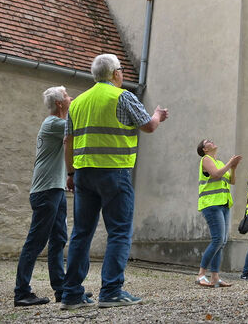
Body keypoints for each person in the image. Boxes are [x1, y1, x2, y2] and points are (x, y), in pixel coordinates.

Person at [61, 54, 169, 310]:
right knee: (119, 231)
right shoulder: (123, 97)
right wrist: (157, 115)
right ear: (115, 73)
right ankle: (111, 291)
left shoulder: (78, 103)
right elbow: (148, 126)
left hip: (84, 173)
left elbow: (68, 141)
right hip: (114, 171)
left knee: (81, 233)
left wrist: (71, 173)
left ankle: (71, 294)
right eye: (120, 70)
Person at [13, 86, 71, 307]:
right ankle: (21, 293)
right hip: (46, 192)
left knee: (58, 239)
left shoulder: (57, 124)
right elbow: (81, 128)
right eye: (67, 96)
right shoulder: (54, 124)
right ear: (59, 103)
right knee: (35, 242)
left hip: (55, 189)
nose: (70, 98)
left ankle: (61, 290)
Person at [196, 139, 241, 287]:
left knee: (222, 241)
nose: (212, 141)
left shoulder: (220, 163)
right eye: (208, 141)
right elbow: (215, 174)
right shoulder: (206, 159)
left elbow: (232, 181)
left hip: (223, 204)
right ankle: (201, 274)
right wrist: (230, 163)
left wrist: (233, 168)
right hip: (211, 204)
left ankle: (215, 277)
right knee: (218, 239)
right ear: (204, 149)